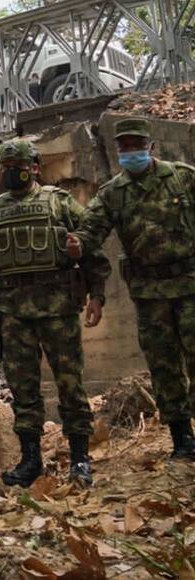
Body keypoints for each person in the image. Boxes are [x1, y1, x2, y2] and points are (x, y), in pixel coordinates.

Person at [0, 137, 109, 487]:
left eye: (17, 168)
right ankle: (30, 460)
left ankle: (80, 458)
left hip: (58, 310)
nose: (11, 174)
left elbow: (91, 247)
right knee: (25, 390)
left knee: (70, 386)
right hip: (14, 314)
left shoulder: (58, 202)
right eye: (5, 169)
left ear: (34, 168)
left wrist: (97, 294)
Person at [76, 116, 195, 461]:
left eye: (136, 145)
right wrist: (75, 245)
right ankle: (181, 440)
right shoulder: (113, 192)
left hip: (189, 284)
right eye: (124, 147)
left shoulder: (183, 178)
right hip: (150, 293)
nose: (131, 152)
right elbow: (90, 232)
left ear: (150, 147)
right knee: (164, 365)